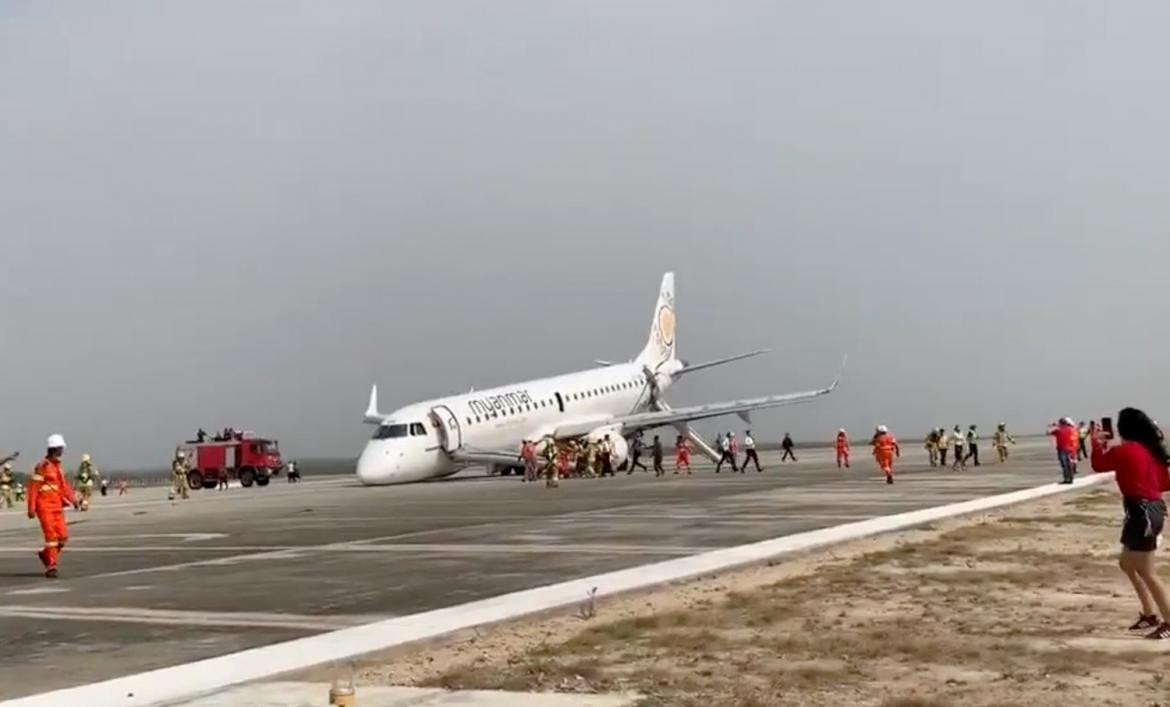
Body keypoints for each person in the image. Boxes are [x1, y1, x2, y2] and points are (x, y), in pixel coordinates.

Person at [1090, 408, 1170, 639]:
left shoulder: (1125, 451)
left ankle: (1167, 621)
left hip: (1142, 512)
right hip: (1148, 509)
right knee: (1127, 563)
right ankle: (1149, 615)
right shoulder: (1151, 451)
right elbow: (1165, 483)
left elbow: (1098, 464)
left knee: (1146, 570)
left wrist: (1097, 443)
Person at [28, 434, 79, 578]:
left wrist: (74, 500)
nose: (62, 451)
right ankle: (51, 566)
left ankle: (46, 555)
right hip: (44, 507)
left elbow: (64, 487)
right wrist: (31, 508)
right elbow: (34, 487)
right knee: (51, 537)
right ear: (55, 448)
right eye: (61, 448)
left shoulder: (58, 468)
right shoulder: (42, 466)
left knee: (62, 537)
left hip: (57, 506)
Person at [1048, 418, 1079, 484]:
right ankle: (1071, 478)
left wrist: (1052, 426)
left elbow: (1048, 432)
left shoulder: (1058, 429)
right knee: (1069, 464)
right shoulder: (1071, 429)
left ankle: (1067, 479)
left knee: (1064, 465)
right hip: (1071, 448)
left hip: (1062, 449)